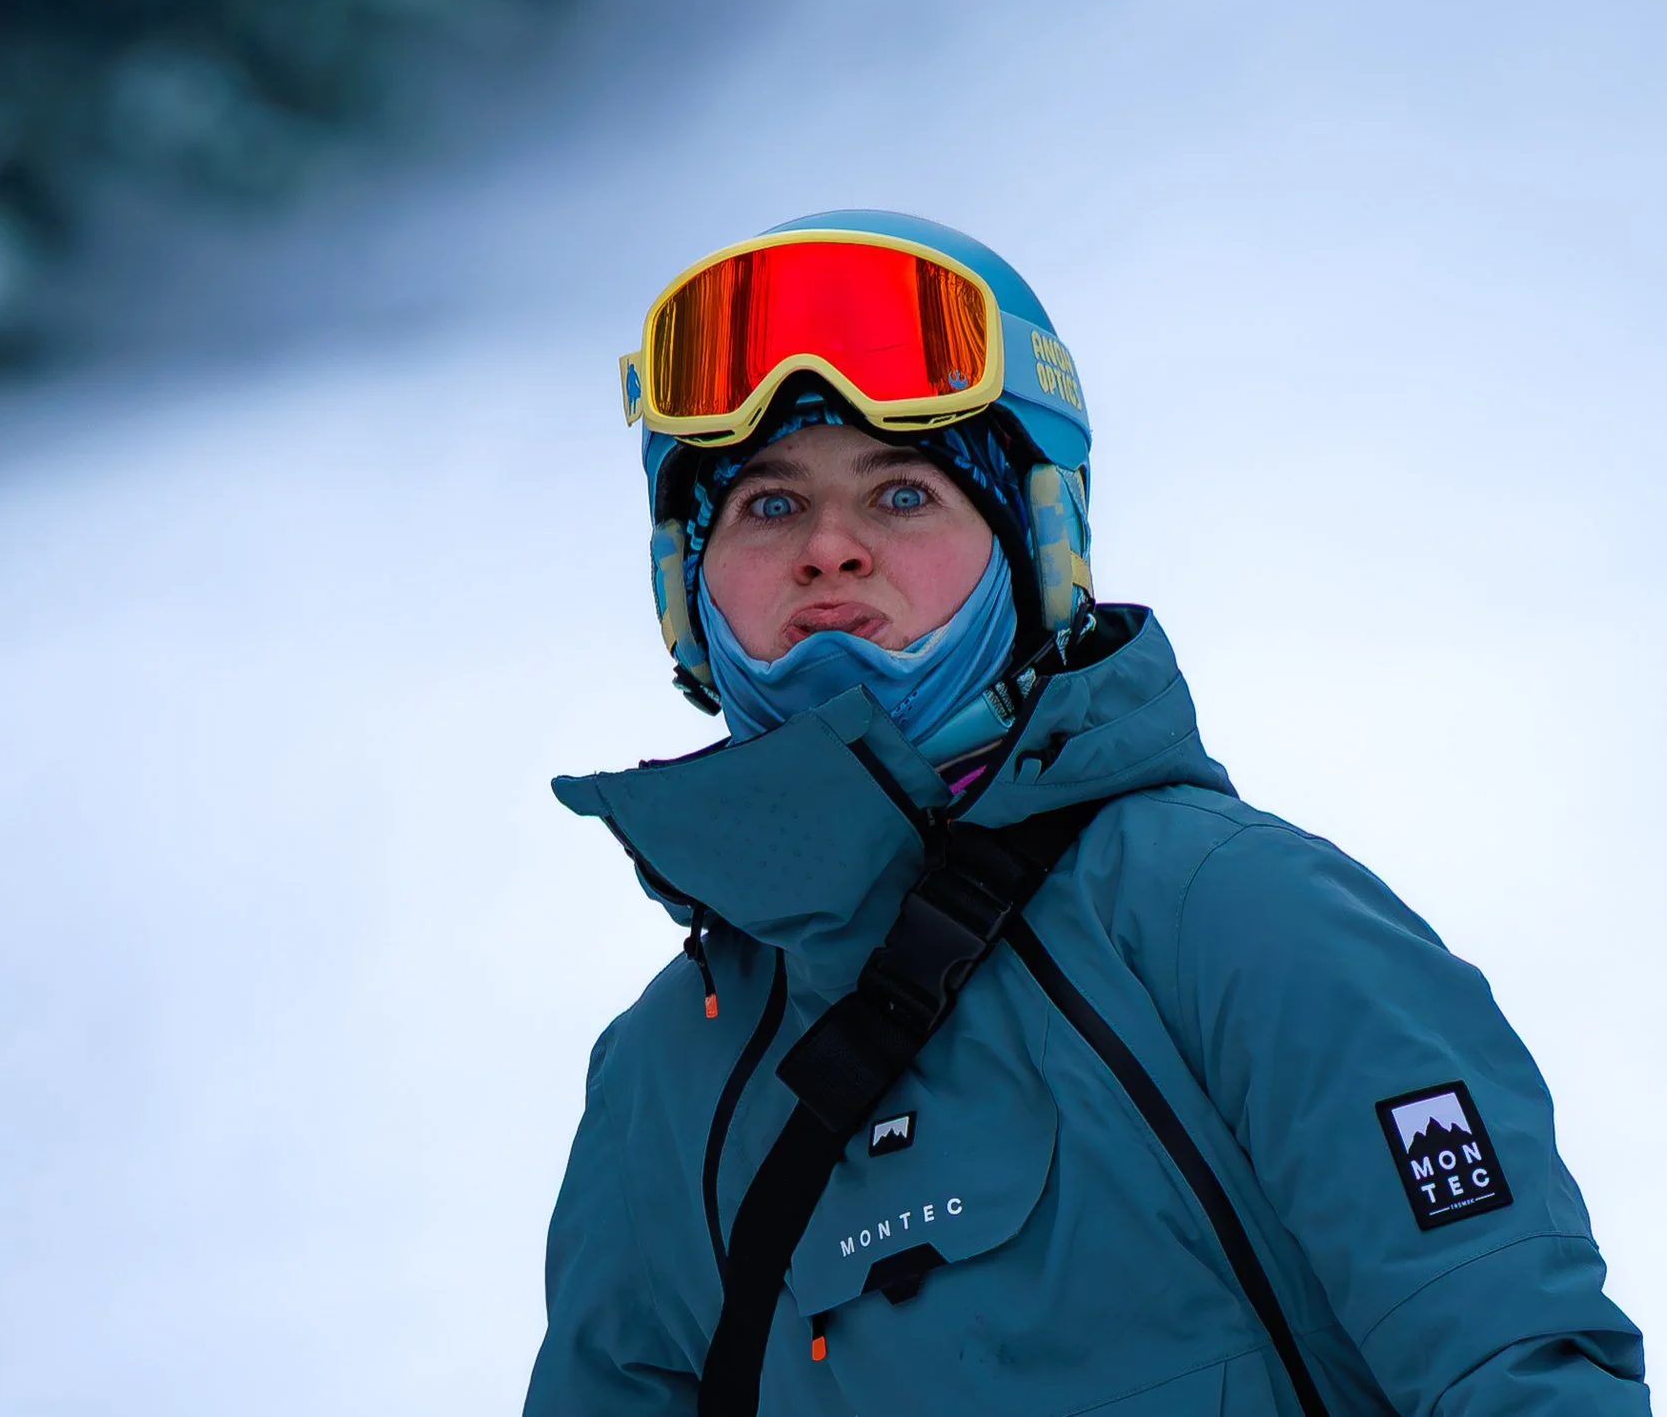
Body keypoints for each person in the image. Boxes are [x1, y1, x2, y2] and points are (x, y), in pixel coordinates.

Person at [523, 211, 1649, 1416]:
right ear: (682, 588)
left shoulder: (1225, 912)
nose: (829, 549)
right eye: (765, 505)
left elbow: (1517, 1367)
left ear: (1036, 549)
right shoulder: (665, 1071)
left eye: (903, 492)